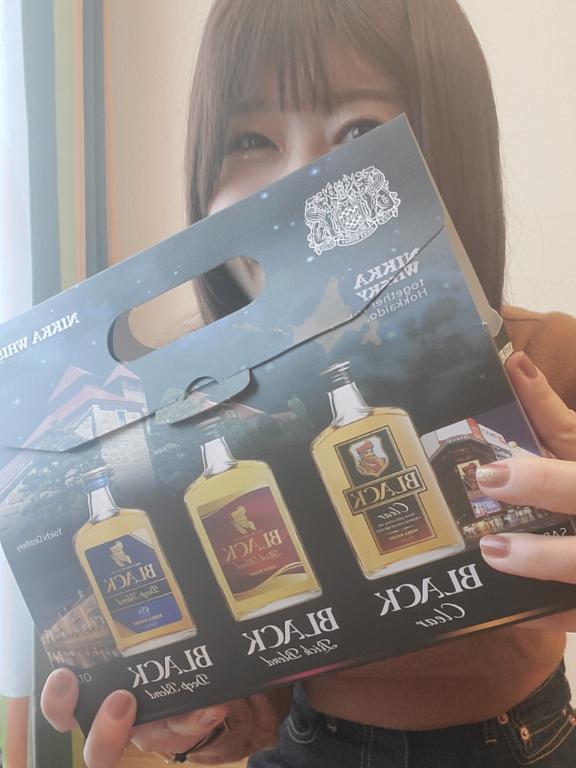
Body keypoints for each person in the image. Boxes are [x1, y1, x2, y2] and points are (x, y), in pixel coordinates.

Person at [41, 1, 576, 765]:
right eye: (250, 140)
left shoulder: (550, 357)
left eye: (359, 132)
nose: (296, 184)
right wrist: (193, 719)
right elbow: (253, 688)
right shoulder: (193, 421)